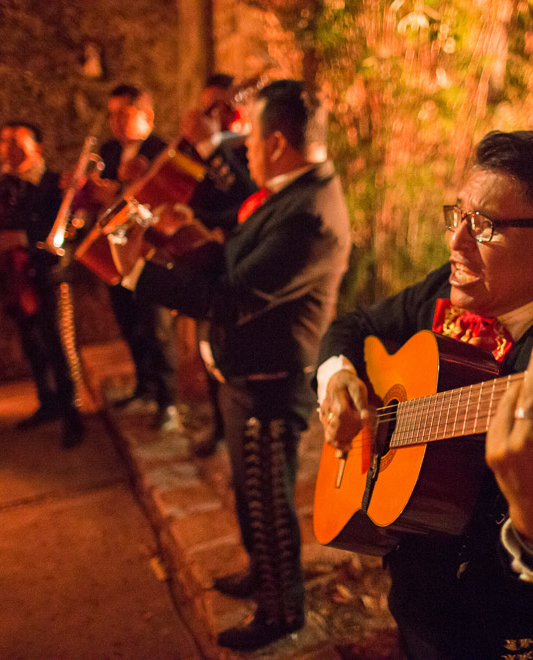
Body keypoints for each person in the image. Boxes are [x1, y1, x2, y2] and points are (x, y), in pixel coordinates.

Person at [317, 130, 533, 659]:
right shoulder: (453, 284)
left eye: (484, 226)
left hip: (503, 626)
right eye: (458, 215)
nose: (456, 242)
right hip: (416, 596)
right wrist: (337, 379)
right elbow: (356, 326)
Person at [126, 79, 351, 650]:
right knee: (249, 490)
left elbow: (232, 299)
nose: (242, 146)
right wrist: (188, 239)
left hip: (272, 382)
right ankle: (261, 575)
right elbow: (233, 252)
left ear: (276, 142)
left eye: (249, 136)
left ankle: (282, 613)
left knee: (271, 502)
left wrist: (134, 273)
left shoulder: (311, 214)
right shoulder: (286, 191)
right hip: (245, 375)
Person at [86, 84, 183, 432]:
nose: (114, 121)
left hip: (150, 253)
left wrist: (121, 191)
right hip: (114, 252)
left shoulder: (162, 150)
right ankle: (144, 386)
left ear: (147, 115)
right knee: (129, 323)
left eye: (123, 113)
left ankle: (168, 400)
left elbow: (168, 200)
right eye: (111, 113)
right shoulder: (110, 151)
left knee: (157, 328)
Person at [0, 121, 84, 448]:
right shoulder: (0, 184)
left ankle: (73, 413)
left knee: (60, 344)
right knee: (31, 341)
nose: (8, 148)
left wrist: (25, 238)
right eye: (4, 141)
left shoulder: (56, 184)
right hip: (16, 276)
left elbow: (67, 231)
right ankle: (48, 401)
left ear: (37, 148)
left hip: (49, 275)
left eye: (16, 142)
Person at [184, 72, 258, 458]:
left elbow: (250, 200)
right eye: (208, 106)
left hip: (241, 260)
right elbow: (196, 197)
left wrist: (213, 147)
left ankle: (243, 436)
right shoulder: (197, 149)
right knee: (207, 346)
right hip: (208, 260)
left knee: (240, 353)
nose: (216, 112)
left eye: (222, 104)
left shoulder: (249, 145)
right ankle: (219, 426)